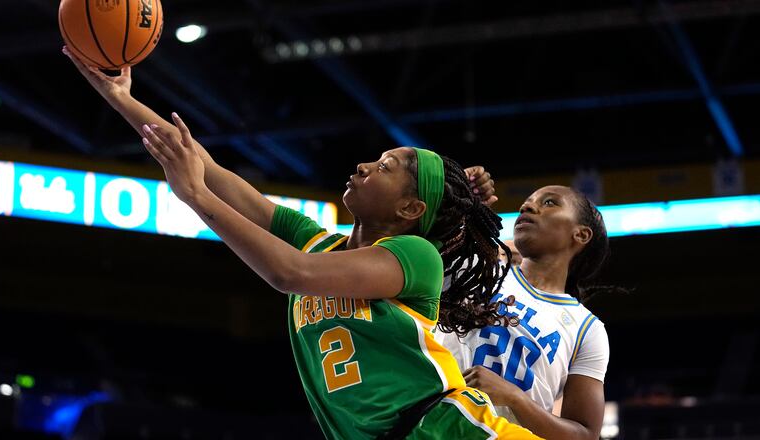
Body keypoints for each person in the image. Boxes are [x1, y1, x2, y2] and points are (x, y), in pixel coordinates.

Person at [62, 47, 541, 439]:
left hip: (451, 431)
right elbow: (206, 165)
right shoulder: (316, 242)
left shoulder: (415, 257)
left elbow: (289, 274)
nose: (363, 166)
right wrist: (121, 97)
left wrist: (193, 196)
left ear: (410, 211)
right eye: (375, 159)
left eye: (385, 168)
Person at [437, 185, 612, 440]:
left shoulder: (587, 329)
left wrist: (515, 398)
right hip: (430, 426)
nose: (526, 207)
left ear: (581, 235)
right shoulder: (476, 268)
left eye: (550, 203)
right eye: (527, 202)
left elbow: (585, 433)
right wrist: (458, 191)